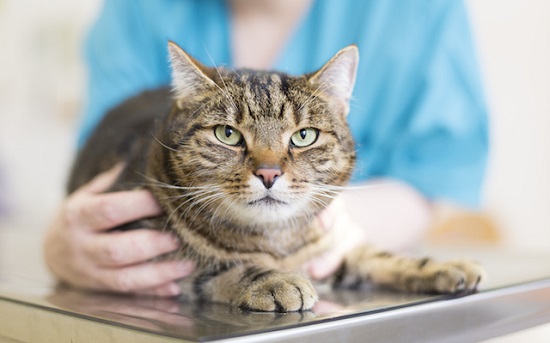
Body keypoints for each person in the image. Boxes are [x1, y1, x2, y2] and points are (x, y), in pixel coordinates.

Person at [44, 0, 488, 296]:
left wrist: (329, 239)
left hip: (331, 233)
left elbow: (435, 171)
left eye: (302, 137)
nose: (268, 168)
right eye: (232, 137)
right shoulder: (139, 9)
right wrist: (59, 248)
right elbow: (94, 174)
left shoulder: (420, 11)